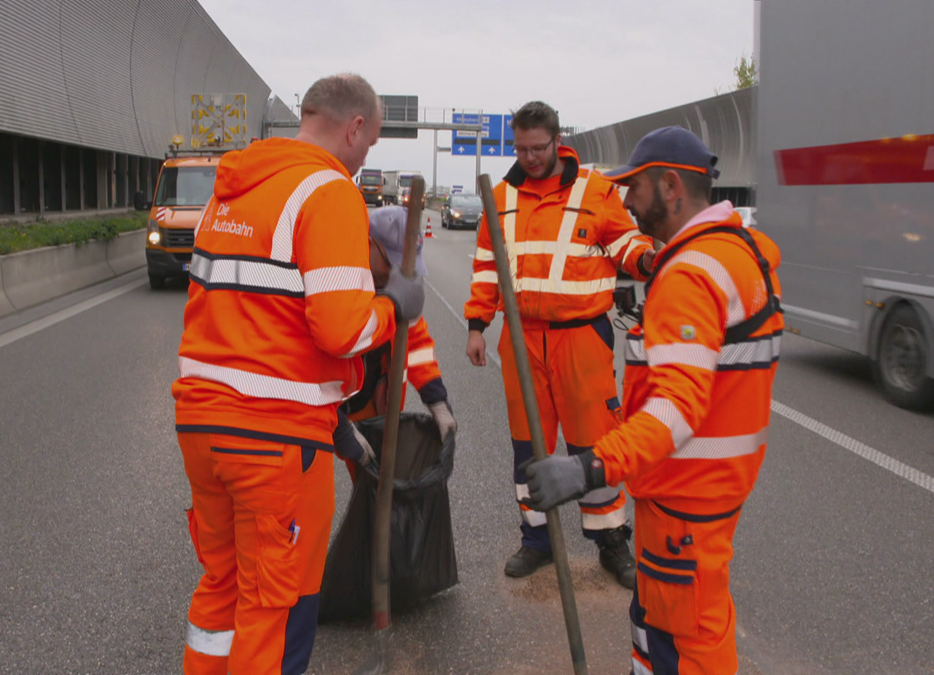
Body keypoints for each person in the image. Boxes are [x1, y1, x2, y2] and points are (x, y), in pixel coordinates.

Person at [173, 73, 425, 675]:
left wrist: (333, 414)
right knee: (275, 607)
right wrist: (395, 308)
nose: (367, 157)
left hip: (202, 424)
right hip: (274, 440)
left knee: (222, 588)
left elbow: (252, 313)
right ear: (354, 126)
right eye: (371, 141)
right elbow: (341, 329)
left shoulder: (232, 187)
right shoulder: (328, 192)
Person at [520, 126, 784, 675]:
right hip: (713, 491)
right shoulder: (740, 253)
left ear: (669, 186)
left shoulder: (690, 272)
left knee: (676, 644)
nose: (627, 201)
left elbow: (678, 407)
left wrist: (589, 467)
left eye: (634, 188)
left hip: (683, 497)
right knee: (699, 626)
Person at [464, 101, 655, 585]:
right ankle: (537, 541)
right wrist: (476, 324)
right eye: (521, 148)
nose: (529, 157)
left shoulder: (597, 191)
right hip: (521, 341)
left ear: (557, 140)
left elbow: (626, 244)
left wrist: (649, 261)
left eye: (538, 148)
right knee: (528, 449)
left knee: (594, 445)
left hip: (582, 339)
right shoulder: (501, 196)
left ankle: (611, 542)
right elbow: (487, 266)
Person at [335, 206, 457, 476]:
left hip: (375, 404)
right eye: (391, 264)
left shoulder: (398, 288)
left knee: (375, 490)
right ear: (368, 244)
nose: (396, 276)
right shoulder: (335, 284)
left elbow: (416, 343)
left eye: (405, 268)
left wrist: (436, 398)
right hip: (327, 411)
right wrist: (335, 425)